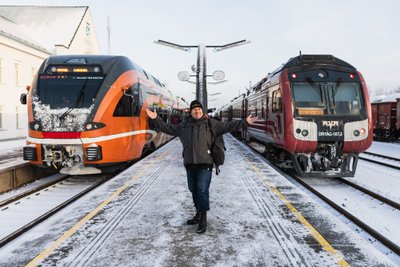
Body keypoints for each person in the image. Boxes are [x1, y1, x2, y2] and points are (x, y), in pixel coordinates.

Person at [145, 100, 257, 234]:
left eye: (199, 109)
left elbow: (228, 126)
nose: (197, 111)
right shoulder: (183, 126)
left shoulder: (211, 124)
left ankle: (203, 218)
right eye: (194, 109)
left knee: (202, 189)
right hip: (190, 163)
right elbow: (167, 128)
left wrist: (244, 122)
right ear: (191, 112)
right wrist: (155, 119)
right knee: (193, 189)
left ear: (202, 111)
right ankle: (198, 213)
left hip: (206, 163)